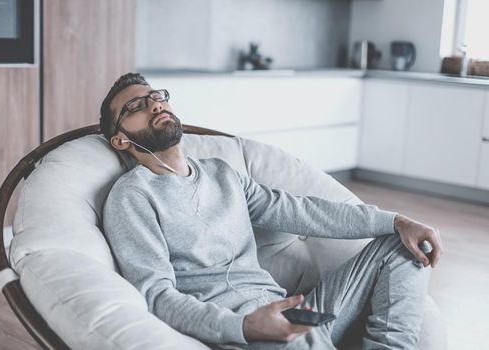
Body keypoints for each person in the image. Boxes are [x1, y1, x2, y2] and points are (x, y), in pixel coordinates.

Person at [100, 73, 443, 350]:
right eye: (136, 105)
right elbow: (158, 297)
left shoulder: (222, 173)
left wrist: (396, 221)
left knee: (402, 245)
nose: (154, 104)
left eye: (156, 96)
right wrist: (245, 326)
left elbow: (303, 211)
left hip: (297, 310)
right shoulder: (132, 196)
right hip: (246, 331)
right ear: (120, 140)